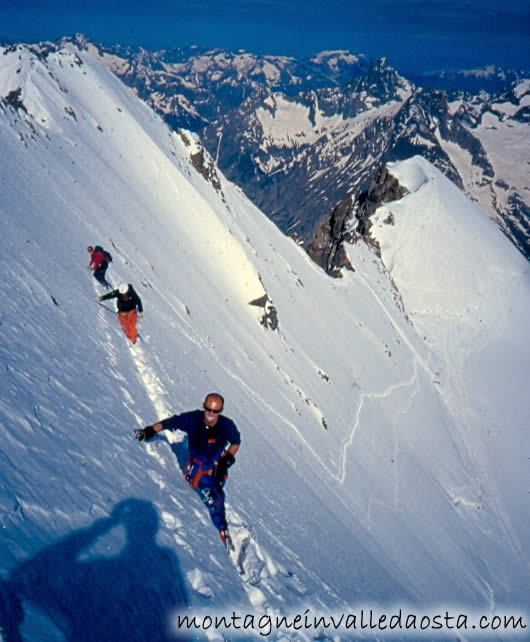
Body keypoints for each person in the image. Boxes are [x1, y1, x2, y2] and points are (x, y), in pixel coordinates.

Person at [134, 393, 241, 548]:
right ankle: (220, 527)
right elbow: (169, 423)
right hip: (196, 463)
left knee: (218, 484)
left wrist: (226, 461)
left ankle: (220, 520)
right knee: (212, 493)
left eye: (215, 411)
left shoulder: (226, 425)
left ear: (221, 410)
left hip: (216, 463)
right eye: (208, 409)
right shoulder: (193, 419)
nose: (211, 414)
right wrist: (150, 430)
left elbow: (236, 442)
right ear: (203, 405)